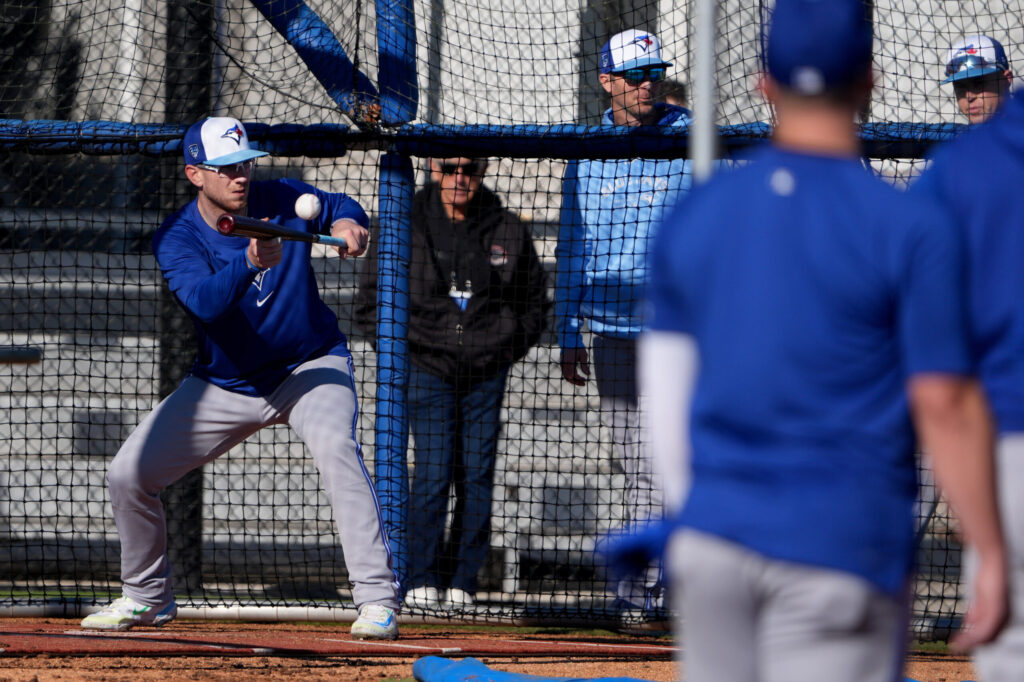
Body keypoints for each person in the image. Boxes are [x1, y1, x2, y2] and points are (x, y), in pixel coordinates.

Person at [641, 1, 1008, 680]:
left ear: (764, 85)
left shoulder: (696, 215)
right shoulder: (908, 224)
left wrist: (700, 520)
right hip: (839, 539)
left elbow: (664, 406)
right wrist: (991, 551)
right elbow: (945, 406)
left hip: (716, 542)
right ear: (868, 81)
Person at [80, 116, 401, 640]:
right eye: (225, 167)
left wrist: (349, 226)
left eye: (244, 163)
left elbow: (340, 206)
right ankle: (146, 597)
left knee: (337, 448)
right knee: (127, 475)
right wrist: (250, 262)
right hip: (226, 384)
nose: (240, 176)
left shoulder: (280, 196)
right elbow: (205, 303)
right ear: (194, 174)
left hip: (308, 365)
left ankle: (377, 601)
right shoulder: (177, 237)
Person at [355, 157, 549, 611]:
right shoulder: (405, 224)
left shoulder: (506, 228)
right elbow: (369, 306)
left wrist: (502, 350)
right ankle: (421, 576)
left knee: (476, 475)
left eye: (470, 169)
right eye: (449, 168)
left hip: (486, 372)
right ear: (431, 168)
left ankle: (463, 579)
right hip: (426, 369)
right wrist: (409, 353)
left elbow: (535, 304)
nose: (460, 178)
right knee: (433, 473)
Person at [556, 28, 691, 621]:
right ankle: (645, 592)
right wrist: (566, 332)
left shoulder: (690, 137)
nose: (645, 84)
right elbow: (572, 244)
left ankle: (661, 589)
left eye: (652, 73)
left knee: (675, 462)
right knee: (637, 461)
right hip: (610, 332)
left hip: (680, 333)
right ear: (606, 81)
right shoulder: (586, 148)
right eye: (633, 75)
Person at [912, 89, 1024, 682]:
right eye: (964, 85)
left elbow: (939, 387)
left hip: (1007, 437)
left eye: (984, 81)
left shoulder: (960, 170)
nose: (974, 95)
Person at [942, 35, 1014, 125]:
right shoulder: (962, 138)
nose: (969, 97)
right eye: (960, 86)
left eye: (979, 83)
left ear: (1006, 80)